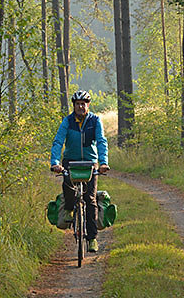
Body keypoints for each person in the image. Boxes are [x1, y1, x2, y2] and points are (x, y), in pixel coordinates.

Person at [50, 90, 109, 252]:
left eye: (83, 104)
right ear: (74, 106)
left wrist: (103, 163)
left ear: (88, 105)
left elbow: (102, 142)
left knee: (90, 199)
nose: (80, 107)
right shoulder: (68, 121)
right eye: (77, 104)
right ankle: (69, 207)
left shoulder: (95, 121)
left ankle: (92, 239)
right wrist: (55, 162)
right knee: (68, 187)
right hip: (70, 161)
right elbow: (58, 141)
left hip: (90, 163)